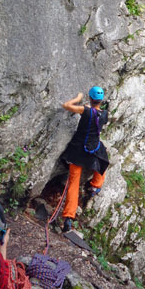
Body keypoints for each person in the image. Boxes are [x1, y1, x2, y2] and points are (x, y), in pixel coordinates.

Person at [60, 85, 109, 233]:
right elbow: (98, 116)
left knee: (73, 182)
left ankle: (69, 217)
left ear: (90, 98)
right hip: (93, 149)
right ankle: (95, 186)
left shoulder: (85, 110)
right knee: (104, 162)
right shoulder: (105, 114)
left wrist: (78, 98)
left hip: (77, 151)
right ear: (101, 101)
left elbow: (66, 106)